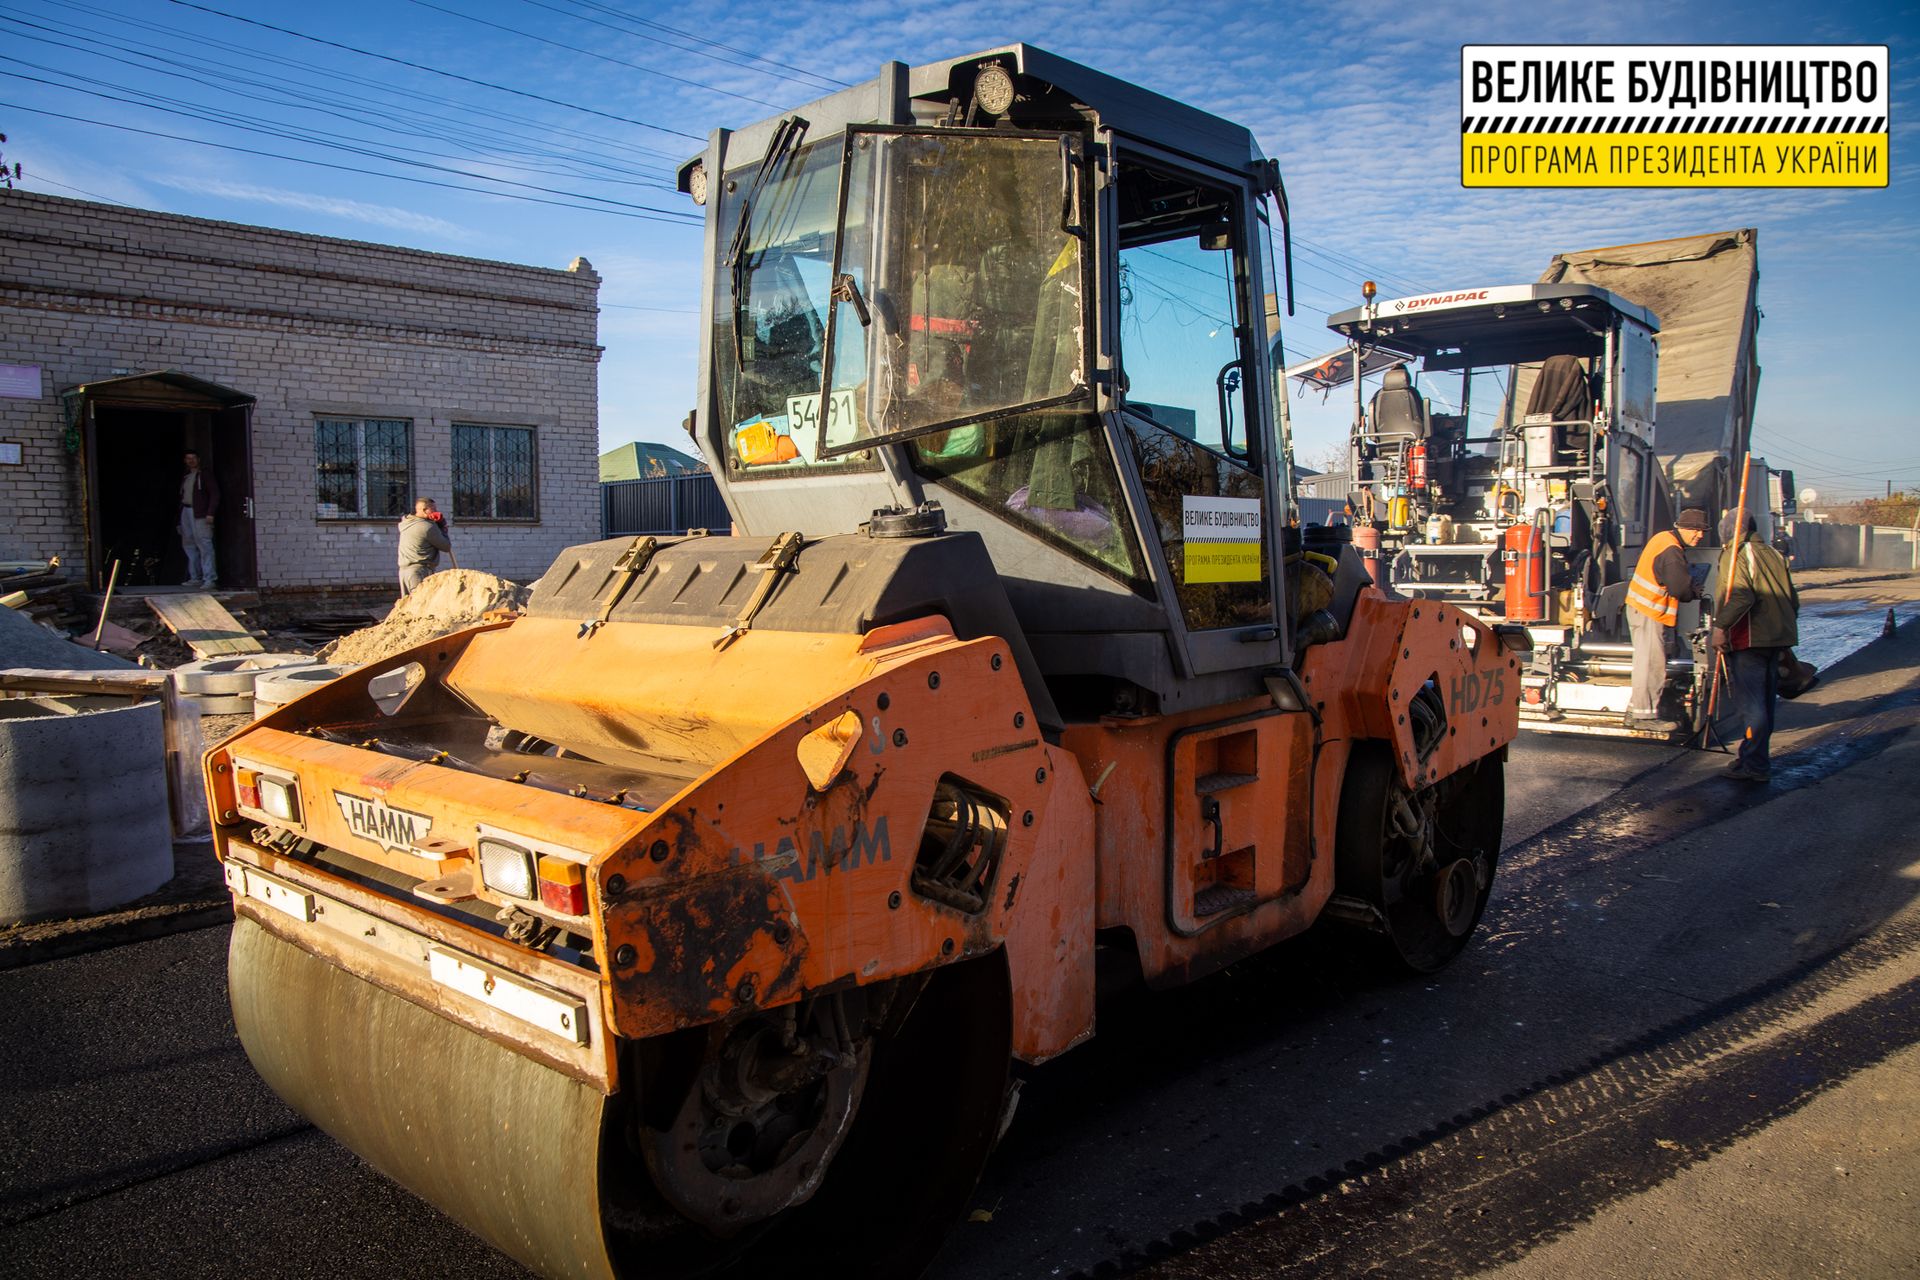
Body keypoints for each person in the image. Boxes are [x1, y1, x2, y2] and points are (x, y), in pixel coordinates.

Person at [1712, 514, 1800, 782]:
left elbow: (1741, 594)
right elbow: (1793, 600)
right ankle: (1752, 758)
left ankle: (1756, 765)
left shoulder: (1736, 553)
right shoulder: (1773, 553)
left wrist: (1720, 627)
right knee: (1765, 703)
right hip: (1776, 638)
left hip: (1749, 639)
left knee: (1752, 706)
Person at [1623, 507, 1710, 732]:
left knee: (1646, 661)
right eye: (1695, 530)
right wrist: (1693, 592)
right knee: (1652, 664)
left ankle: (1636, 710)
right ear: (1682, 528)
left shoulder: (1663, 539)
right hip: (1648, 611)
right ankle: (1645, 717)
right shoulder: (1671, 550)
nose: (1699, 535)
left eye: (1702, 531)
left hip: (1643, 610)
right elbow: (1679, 588)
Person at [397, 497, 455, 595]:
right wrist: (442, 527)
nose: (436, 512)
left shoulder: (407, 523)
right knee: (421, 605)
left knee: (409, 606)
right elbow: (446, 546)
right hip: (419, 571)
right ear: (424, 510)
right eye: (433, 509)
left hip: (405, 573)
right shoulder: (427, 527)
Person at [178, 449, 219, 588]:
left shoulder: (204, 474)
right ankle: (195, 577)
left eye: (193, 458)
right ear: (185, 461)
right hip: (187, 511)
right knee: (189, 544)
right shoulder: (187, 476)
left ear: (198, 459)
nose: (191, 461)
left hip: (200, 513)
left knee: (204, 544)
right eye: (188, 458)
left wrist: (210, 513)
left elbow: (215, 493)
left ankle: (210, 578)